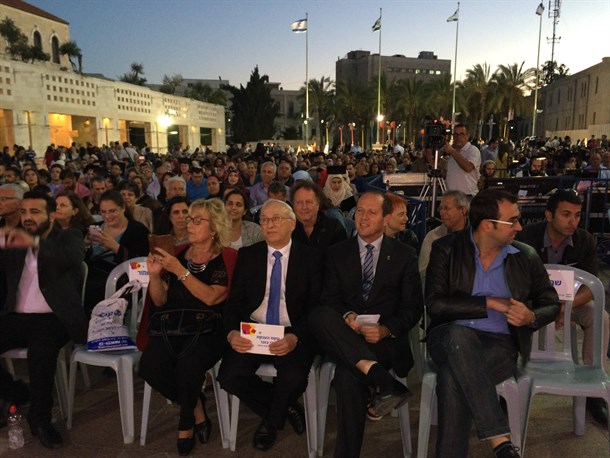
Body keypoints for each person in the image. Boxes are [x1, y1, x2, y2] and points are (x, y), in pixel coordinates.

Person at [425, 189, 560, 458]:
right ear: (488, 225)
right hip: (446, 337)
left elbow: (552, 303)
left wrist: (531, 317)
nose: (519, 227)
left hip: (500, 345)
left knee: (452, 379)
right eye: (513, 221)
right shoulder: (446, 249)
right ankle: (500, 440)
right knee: (458, 335)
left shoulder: (525, 256)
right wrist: (490, 303)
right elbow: (435, 305)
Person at [308, 191, 423, 457]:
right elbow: (330, 299)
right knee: (319, 315)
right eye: (359, 211)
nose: (363, 217)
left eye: (372, 212)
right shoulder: (337, 253)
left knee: (348, 375)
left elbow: (412, 308)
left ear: (385, 219)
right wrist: (348, 317)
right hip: (345, 334)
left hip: (384, 341)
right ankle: (381, 379)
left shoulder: (404, 255)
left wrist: (385, 330)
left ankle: (376, 378)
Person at [217, 199, 323, 451]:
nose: (269, 224)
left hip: (291, 329)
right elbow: (234, 303)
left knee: (294, 378)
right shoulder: (249, 255)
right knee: (229, 377)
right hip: (255, 328)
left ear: (292, 224)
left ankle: (271, 422)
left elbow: (318, 307)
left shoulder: (312, 258)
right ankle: (283, 408)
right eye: (264, 219)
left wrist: (296, 336)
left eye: (276, 219)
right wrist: (232, 332)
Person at [139, 199, 232, 456]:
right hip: (174, 326)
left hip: (208, 330)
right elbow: (159, 300)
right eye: (188, 219)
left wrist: (180, 271)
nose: (189, 224)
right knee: (149, 366)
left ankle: (186, 423)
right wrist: (155, 275)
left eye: (197, 220)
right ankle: (196, 407)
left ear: (213, 228)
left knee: (188, 365)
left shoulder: (224, 258)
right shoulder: (177, 255)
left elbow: (213, 297)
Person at [0, 192, 87, 449]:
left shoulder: (68, 236)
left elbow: (72, 258)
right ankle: (14, 391)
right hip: (16, 316)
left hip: (54, 318)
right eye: (24, 212)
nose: (27, 217)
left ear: (51, 215)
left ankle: (40, 419)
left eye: (34, 212)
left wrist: (34, 240)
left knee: (40, 353)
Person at [516, 188, 610, 425]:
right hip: (534, 303)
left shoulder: (585, 239)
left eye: (577, 215)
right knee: (509, 313)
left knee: (601, 317)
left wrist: (564, 307)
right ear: (549, 215)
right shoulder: (527, 237)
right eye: (566, 214)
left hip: (571, 303)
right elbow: (516, 282)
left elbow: (592, 286)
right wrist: (547, 309)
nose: (573, 221)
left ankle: (592, 386)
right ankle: (508, 382)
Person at [84, 190, 150, 313]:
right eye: (103, 212)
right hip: (91, 275)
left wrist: (116, 248)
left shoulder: (137, 230)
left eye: (112, 211)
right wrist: (85, 245)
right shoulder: (95, 227)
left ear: (123, 208)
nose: (107, 216)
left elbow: (143, 267)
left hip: (119, 282)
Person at [418, 190, 469, 280]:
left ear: (463, 210)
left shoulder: (477, 236)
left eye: (446, 208)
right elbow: (423, 273)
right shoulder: (433, 237)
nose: (441, 213)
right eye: (440, 208)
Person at [290, 180, 347, 251]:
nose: (304, 207)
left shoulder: (334, 227)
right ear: (293, 206)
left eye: (309, 202)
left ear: (318, 204)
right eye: (299, 203)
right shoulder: (286, 229)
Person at [443, 123, 481, 197]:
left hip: (467, 196)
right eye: (456, 134)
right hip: (452, 196)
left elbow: (468, 167)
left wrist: (452, 152)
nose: (458, 137)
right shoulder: (452, 152)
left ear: (467, 136)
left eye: (462, 134)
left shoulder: (473, 150)